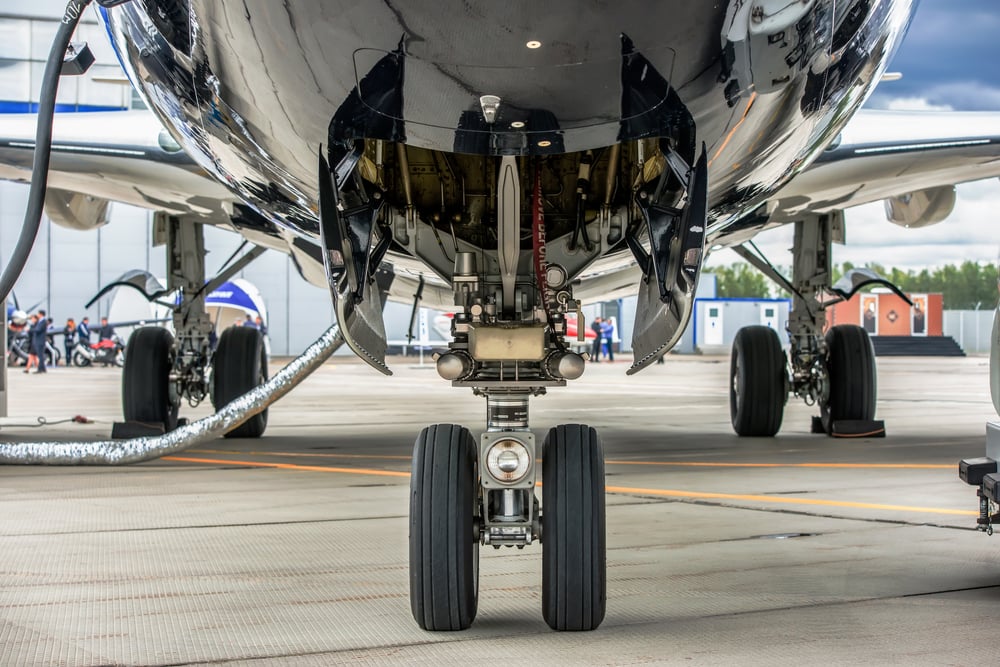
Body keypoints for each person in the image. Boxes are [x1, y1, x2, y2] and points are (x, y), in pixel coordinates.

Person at [30, 309, 49, 373]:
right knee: (40, 355)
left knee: (40, 355)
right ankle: (43, 368)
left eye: (38, 314)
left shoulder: (43, 321)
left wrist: (31, 330)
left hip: (40, 341)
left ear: (41, 314)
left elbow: (38, 330)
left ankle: (40, 369)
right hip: (39, 340)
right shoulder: (40, 321)